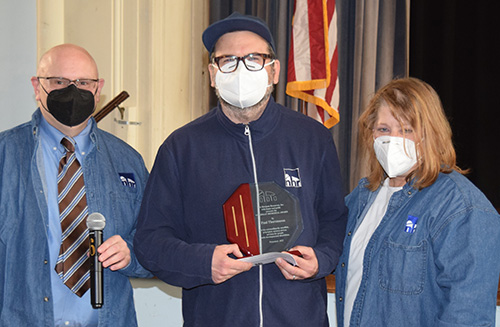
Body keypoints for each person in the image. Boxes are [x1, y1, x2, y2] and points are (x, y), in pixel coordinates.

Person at [133, 12, 348, 327]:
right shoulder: (181, 148)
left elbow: (335, 221)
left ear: (274, 71)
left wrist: (322, 260)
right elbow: (150, 241)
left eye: (253, 59)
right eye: (228, 61)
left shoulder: (312, 139)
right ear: (211, 73)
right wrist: (204, 262)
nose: (241, 70)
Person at [0, 44, 151, 327]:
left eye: (83, 82)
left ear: (98, 88)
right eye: (59, 82)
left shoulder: (127, 160)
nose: (73, 91)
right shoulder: (5, 156)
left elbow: (157, 243)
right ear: (37, 86)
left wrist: (132, 253)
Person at [335, 77, 500, 327]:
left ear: (430, 134)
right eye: (384, 129)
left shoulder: (462, 207)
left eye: (407, 129)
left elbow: (468, 316)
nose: (393, 139)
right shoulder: (362, 197)